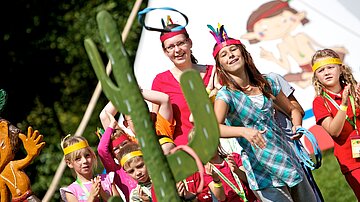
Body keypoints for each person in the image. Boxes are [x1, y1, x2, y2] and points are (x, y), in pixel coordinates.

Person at [210, 24, 316, 201]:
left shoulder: (265, 83)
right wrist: (243, 131)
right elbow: (214, 128)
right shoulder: (226, 95)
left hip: (286, 158)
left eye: (234, 49)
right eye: (224, 54)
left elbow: (292, 110)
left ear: (243, 53)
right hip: (261, 170)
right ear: (220, 66)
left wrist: (297, 125)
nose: (230, 55)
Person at [151, 22, 215, 146]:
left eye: (181, 43)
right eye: (170, 47)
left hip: (220, 148)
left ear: (190, 43)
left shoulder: (213, 72)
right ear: (165, 52)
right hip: (184, 152)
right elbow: (158, 124)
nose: (177, 50)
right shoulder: (161, 81)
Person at [311, 48, 360, 199]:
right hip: (353, 163)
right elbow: (334, 131)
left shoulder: (356, 90)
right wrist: (344, 104)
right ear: (316, 77)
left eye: (330, 67)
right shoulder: (320, 102)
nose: (326, 72)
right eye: (321, 70)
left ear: (341, 69)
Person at [268, 72, 324, 202]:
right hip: (268, 167)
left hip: (294, 157)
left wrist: (269, 100)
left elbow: (298, 110)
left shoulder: (271, 80)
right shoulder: (231, 96)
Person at [60, 135, 119, 201]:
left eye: (87, 155)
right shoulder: (71, 191)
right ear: (69, 163)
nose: (85, 161)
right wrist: (91, 197)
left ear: (92, 155)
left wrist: (103, 193)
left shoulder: (107, 180)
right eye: (78, 159)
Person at [97, 111, 137, 201]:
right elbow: (101, 149)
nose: (122, 149)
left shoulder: (141, 157)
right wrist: (112, 125)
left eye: (124, 144)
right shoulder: (116, 170)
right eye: (116, 149)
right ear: (113, 155)